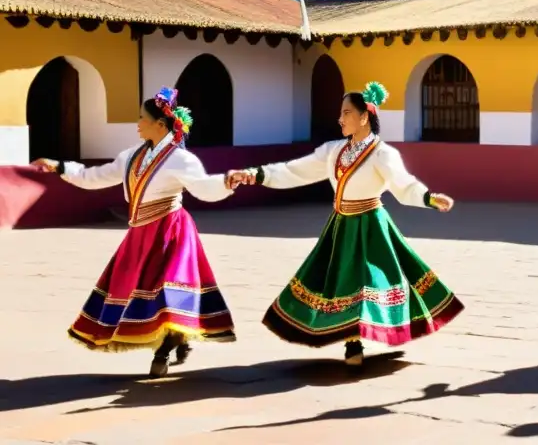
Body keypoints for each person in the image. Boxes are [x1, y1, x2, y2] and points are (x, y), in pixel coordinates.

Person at [227, 81, 463, 368]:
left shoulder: (382, 153)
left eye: (347, 112)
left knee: (369, 282)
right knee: (340, 283)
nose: (340, 119)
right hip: (341, 226)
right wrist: (254, 175)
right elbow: (295, 170)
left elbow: (403, 184)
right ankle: (353, 341)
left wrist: (428, 197)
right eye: (341, 113)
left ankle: (371, 335)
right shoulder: (332, 151)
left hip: (371, 227)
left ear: (365, 116)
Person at [32, 87, 237, 378]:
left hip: (172, 232)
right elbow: (96, 176)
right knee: (137, 290)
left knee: (169, 291)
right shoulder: (131, 157)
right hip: (140, 234)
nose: (137, 124)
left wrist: (227, 183)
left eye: (142, 118)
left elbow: (205, 188)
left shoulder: (181, 160)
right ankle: (176, 340)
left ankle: (164, 350)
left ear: (161, 125)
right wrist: (60, 167)